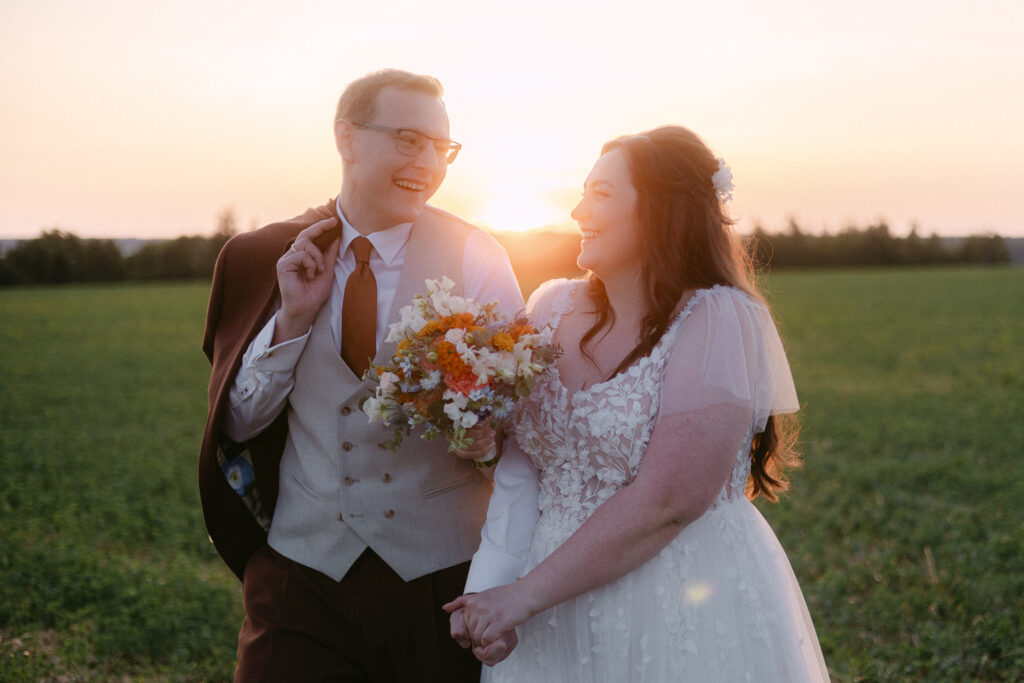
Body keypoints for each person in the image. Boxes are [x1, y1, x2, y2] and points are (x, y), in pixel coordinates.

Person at [445, 126, 830, 681]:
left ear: (661, 210)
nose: (579, 210)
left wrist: (521, 597)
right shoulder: (549, 307)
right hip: (546, 594)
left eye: (601, 194)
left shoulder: (717, 319)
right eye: (582, 192)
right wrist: (480, 439)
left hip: (675, 589)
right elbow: (522, 459)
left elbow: (669, 500)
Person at [199, 69, 527, 682]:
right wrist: (294, 317)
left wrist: (487, 436)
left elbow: (517, 416)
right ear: (346, 138)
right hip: (302, 578)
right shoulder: (264, 256)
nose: (428, 162)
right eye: (408, 139)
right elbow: (237, 420)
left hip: (442, 583)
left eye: (441, 147)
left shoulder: (477, 256)